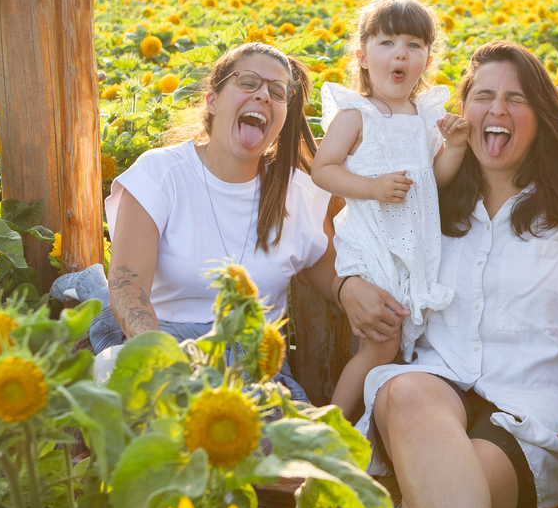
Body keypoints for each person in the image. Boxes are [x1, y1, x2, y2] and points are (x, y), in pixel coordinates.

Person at [338, 42, 558, 508]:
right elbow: (354, 237)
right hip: (432, 388)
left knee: (446, 497)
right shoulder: (429, 195)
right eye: (484, 96)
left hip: (532, 411)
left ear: (543, 117)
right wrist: (347, 286)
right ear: (462, 112)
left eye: (516, 98)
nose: (497, 110)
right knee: (405, 393)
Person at [50, 43, 395, 403]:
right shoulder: (161, 174)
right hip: (163, 346)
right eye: (248, 83)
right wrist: (165, 363)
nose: (263, 95)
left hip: (256, 373)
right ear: (212, 100)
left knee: (288, 438)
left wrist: (350, 289)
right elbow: (127, 286)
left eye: (277, 92)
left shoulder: (296, 194)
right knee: (125, 392)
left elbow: (334, 275)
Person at [313, 0, 469, 419]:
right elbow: (323, 169)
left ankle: (377, 425)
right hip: (372, 242)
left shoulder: (425, 117)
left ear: (426, 60)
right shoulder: (356, 114)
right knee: (381, 342)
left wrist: (455, 147)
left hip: (415, 246)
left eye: (413, 45)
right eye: (387, 43)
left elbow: (433, 181)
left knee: (405, 340)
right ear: (362, 57)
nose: (401, 53)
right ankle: (332, 424)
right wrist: (372, 187)